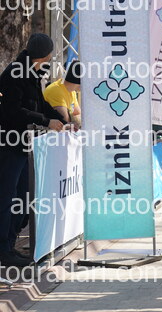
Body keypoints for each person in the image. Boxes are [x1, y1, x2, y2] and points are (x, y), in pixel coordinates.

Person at [0, 33, 67, 267]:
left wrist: (63, 121)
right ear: (44, 55)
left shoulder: (33, 73)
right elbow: (13, 112)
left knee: (23, 198)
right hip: (9, 146)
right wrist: (46, 121)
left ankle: (9, 245)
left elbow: (40, 104)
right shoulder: (14, 74)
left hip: (24, 146)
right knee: (7, 198)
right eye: (49, 55)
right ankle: (3, 250)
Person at [43, 60, 82, 128]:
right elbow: (65, 121)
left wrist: (76, 119)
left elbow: (78, 114)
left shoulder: (71, 90)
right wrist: (75, 119)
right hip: (50, 132)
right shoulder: (56, 90)